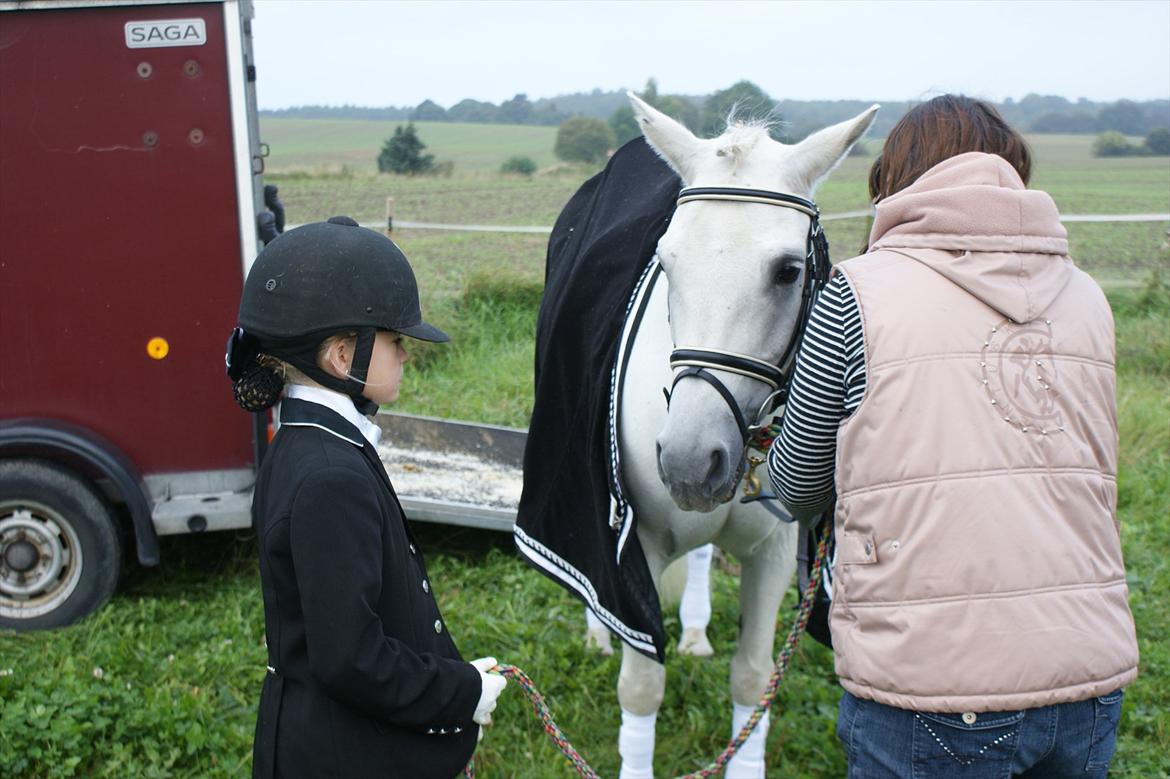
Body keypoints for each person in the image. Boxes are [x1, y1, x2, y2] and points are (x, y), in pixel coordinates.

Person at [767, 95, 1139, 777]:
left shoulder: (855, 293)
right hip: (1088, 672)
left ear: (897, 177)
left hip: (933, 684)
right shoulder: (1088, 297)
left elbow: (794, 485)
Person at [226, 216, 507, 779]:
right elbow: (350, 660)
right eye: (395, 341)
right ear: (339, 356)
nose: (405, 354)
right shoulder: (330, 475)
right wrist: (462, 691)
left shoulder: (307, 442)